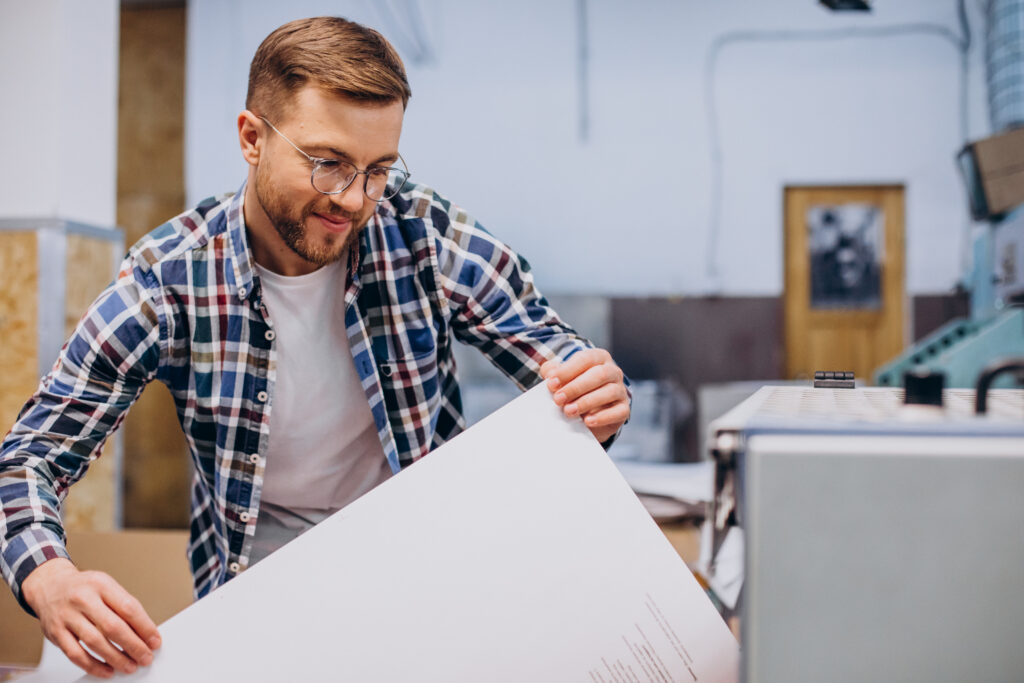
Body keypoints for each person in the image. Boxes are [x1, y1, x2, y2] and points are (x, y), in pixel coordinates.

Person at [0, 16, 630, 679]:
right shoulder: (172, 277)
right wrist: (50, 575)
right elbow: (28, 456)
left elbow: (555, 356)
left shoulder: (421, 232)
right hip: (260, 578)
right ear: (251, 138)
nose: (354, 200)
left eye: (378, 169)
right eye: (328, 163)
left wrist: (597, 395)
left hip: (427, 559)